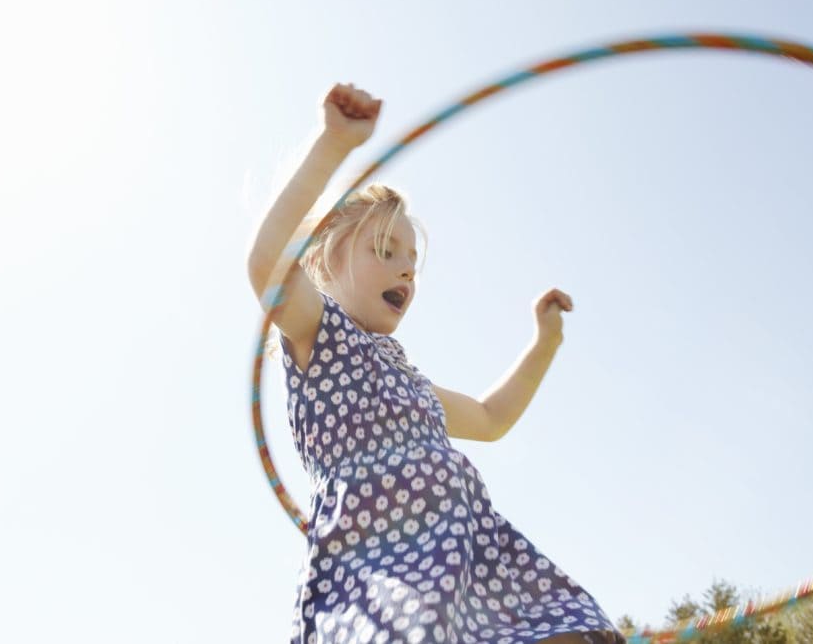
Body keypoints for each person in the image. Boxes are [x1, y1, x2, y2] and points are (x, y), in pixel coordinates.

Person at [247, 83, 625, 644]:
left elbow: (492, 417)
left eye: (412, 262)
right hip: (381, 561)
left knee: (574, 631)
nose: (405, 271)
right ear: (325, 256)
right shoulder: (317, 333)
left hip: (473, 553)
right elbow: (267, 262)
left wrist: (544, 342)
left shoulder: (410, 384)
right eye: (384, 251)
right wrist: (334, 143)